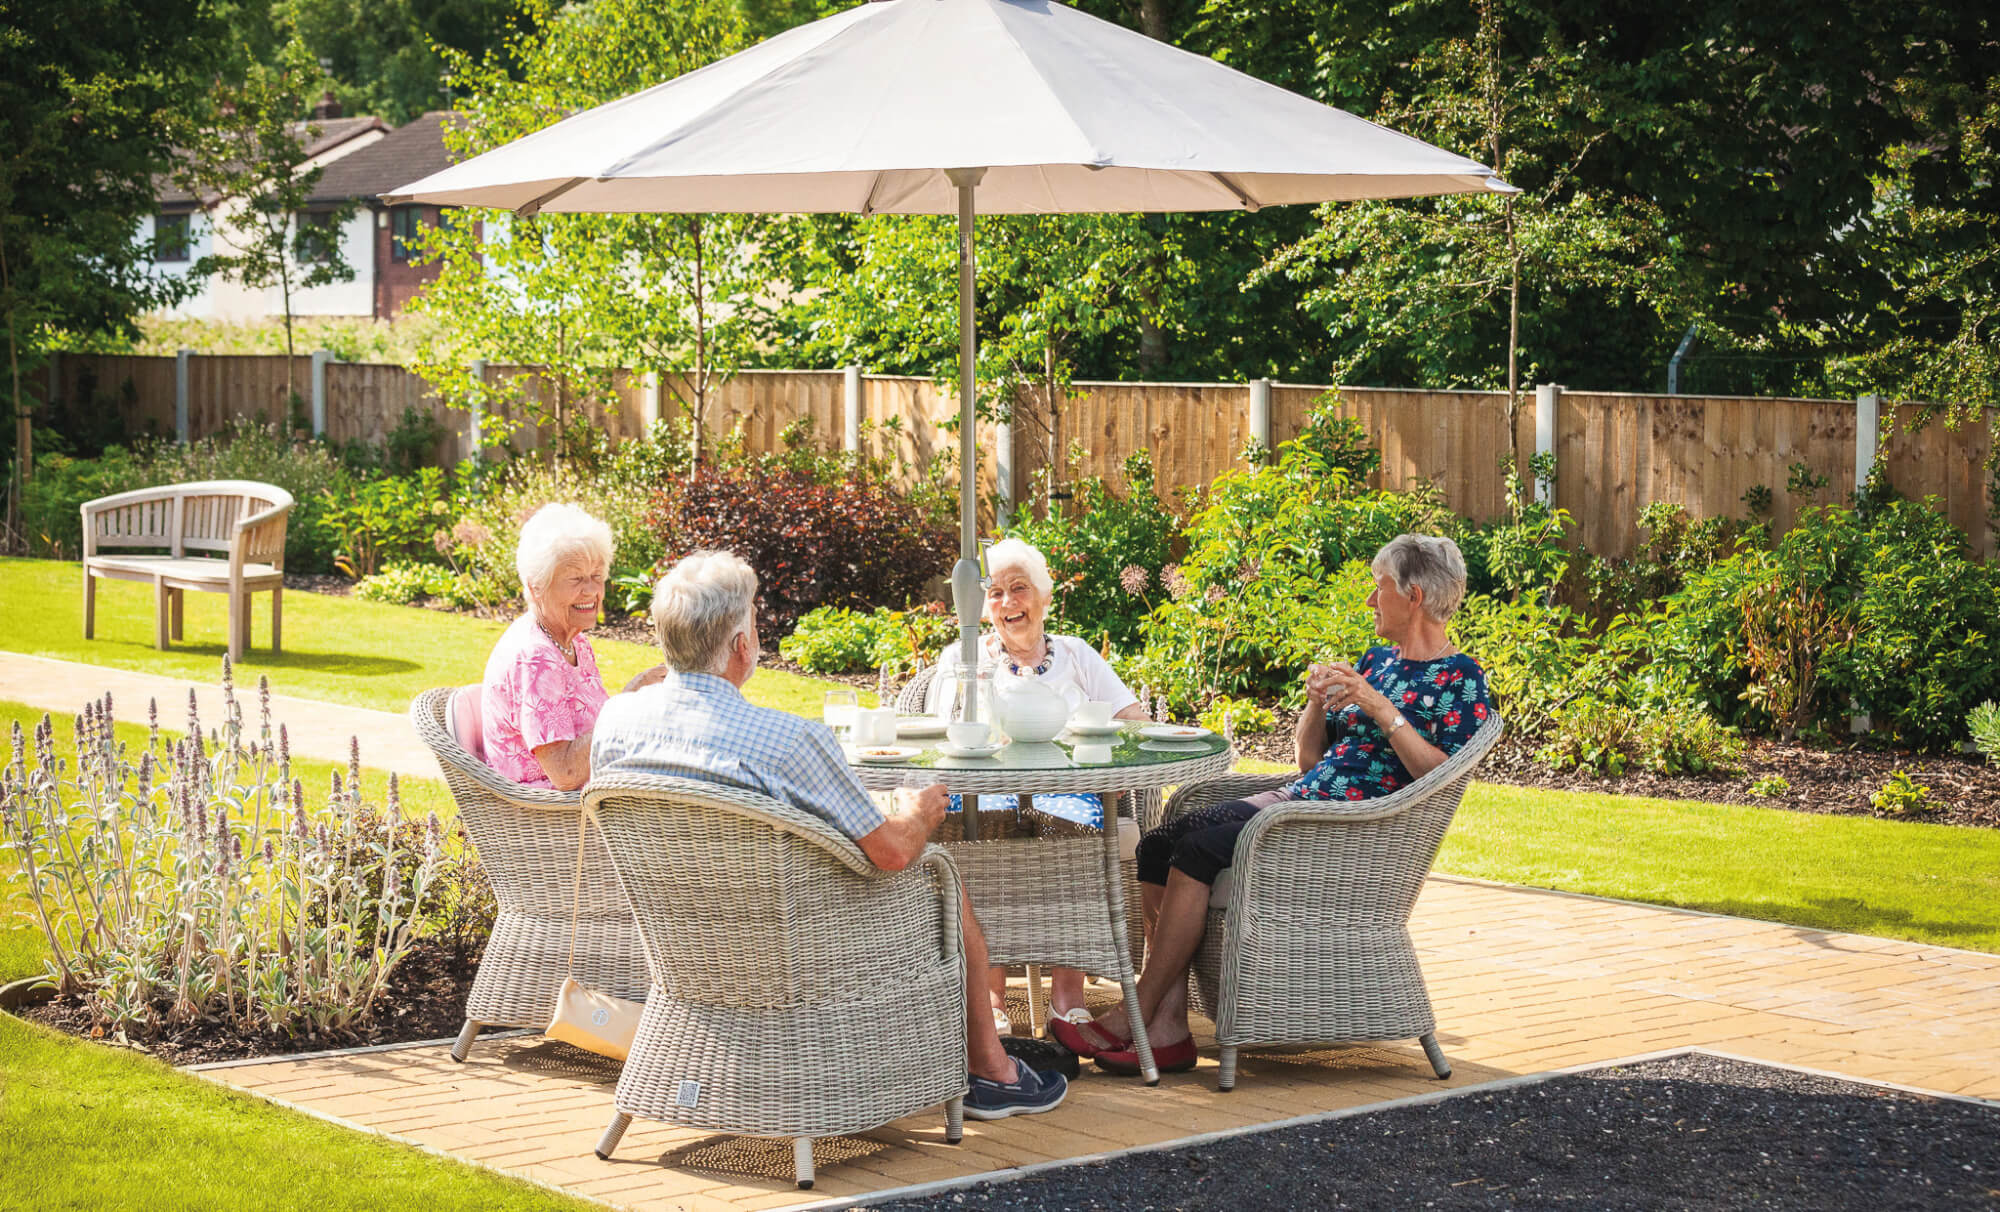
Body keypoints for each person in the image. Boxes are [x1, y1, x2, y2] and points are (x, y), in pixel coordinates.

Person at [592, 550, 1067, 1120]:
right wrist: (917, 812)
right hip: (802, 945)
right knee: (941, 881)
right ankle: (991, 1069)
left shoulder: (616, 721)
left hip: (685, 947)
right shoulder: (789, 740)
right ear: (742, 645)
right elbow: (891, 852)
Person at [1067, 534, 1494, 1075]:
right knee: (1158, 843)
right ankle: (1170, 1025)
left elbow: (1440, 776)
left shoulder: (1460, 678)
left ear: (1412, 595)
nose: (1369, 601)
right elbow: (1308, 758)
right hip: (1303, 800)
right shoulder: (1377, 661)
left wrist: (1379, 707)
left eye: (1378, 588)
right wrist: (1315, 703)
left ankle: (1137, 1013)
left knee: (1196, 851)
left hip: (1352, 828)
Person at [929, 537, 1152, 1047]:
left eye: (1019, 589)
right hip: (987, 790)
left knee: (1073, 824)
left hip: (1065, 790)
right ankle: (989, 999)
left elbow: (1134, 724)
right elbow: (940, 734)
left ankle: (1067, 999)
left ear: (1044, 598)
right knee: (984, 830)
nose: (1008, 603)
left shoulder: (1077, 655)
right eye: (996, 593)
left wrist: (1094, 738)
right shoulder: (964, 657)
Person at [480, 503, 661, 790]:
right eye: (576, 578)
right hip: (553, 819)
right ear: (536, 586)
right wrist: (627, 702)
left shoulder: (575, 642)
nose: (591, 591)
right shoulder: (535, 658)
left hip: (593, 800)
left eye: (597, 576)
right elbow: (565, 773)